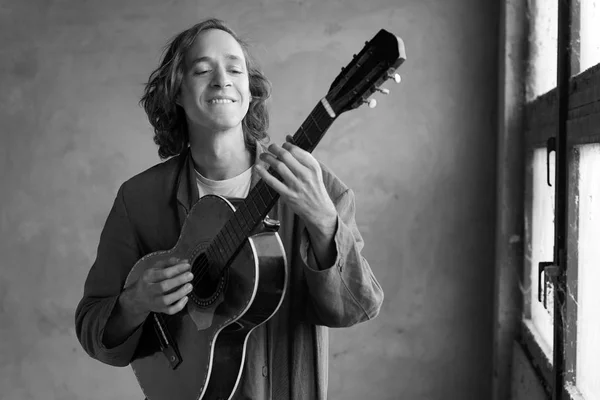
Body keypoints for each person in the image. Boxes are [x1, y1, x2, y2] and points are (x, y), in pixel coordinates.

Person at [75, 18, 384, 400]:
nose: (222, 80)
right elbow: (92, 325)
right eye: (202, 70)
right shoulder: (139, 199)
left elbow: (358, 306)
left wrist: (323, 221)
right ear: (177, 92)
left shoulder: (315, 186)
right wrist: (135, 301)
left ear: (250, 92)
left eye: (235, 69)